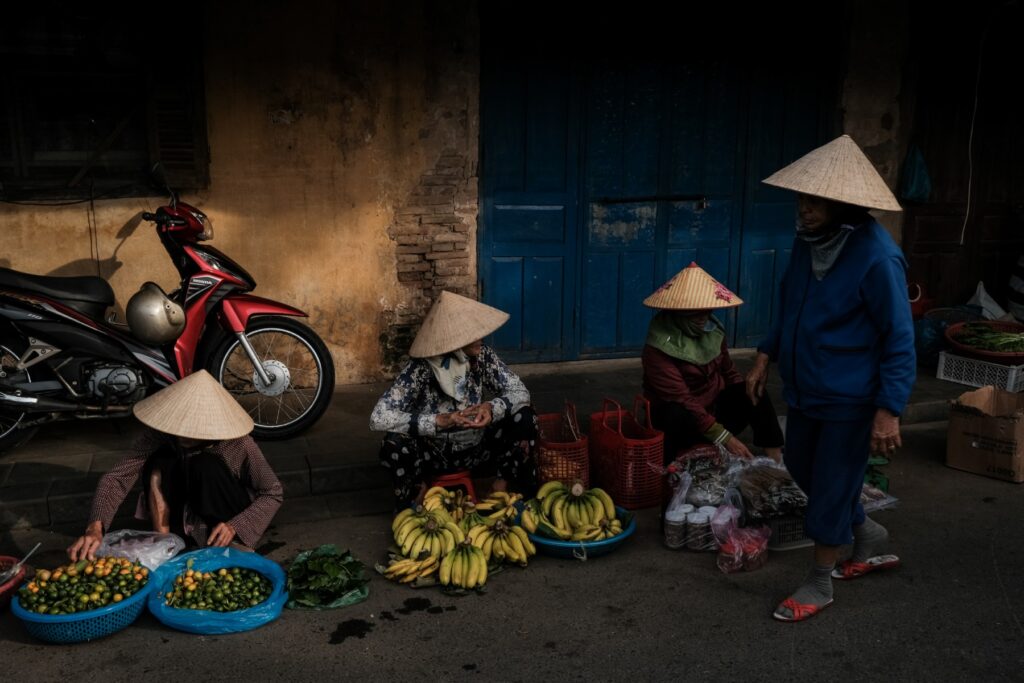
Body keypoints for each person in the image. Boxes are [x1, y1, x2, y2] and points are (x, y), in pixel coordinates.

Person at [746, 134, 915, 622]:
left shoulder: (878, 258)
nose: (804, 209)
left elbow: (899, 339)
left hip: (851, 397)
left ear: (845, 205)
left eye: (816, 201)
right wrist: (764, 355)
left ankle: (819, 582)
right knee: (800, 467)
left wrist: (888, 410)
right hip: (804, 388)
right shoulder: (808, 244)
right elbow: (790, 306)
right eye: (802, 198)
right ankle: (867, 534)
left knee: (834, 481)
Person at [68, 370, 283, 560]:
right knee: (160, 460)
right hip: (180, 519)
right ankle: (164, 541)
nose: (182, 435)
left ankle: (225, 544)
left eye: (191, 431)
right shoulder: (161, 435)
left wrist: (235, 526)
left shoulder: (237, 444)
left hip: (225, 520)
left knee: (204, 464)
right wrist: (95, 527)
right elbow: (117, 477)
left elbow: (273, 492)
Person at [371, 290, 538, 508]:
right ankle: (415, 494)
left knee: (526, 417)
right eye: (473, 335)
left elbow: (520, 392)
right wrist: (438, 421)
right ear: (456, 341)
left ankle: (501, 485)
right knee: (393, 443)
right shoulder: (421, 368)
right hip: (433, 454)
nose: (481, 339)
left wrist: (491, 407)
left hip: (479, 448)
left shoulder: (482, 357)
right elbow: (379, 416)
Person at [642, 263, 784, 465]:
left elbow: (729, 373)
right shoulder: (657, 348)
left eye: (706, 312)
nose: (703, 318)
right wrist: (725, 437)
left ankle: (777, 461)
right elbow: (682, 399)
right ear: (677, 312)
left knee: (752, 390)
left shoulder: (713, 332)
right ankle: (671, 471)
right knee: (674, 412)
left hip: (713, 411)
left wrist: (743, 396)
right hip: (681, 421)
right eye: (694, 313)